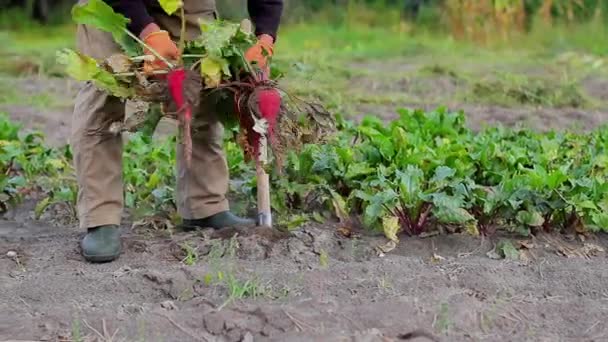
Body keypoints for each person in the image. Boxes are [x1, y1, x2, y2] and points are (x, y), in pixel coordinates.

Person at [73, 0, 283, 263]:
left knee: (205, 85)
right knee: (105, 92)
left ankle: (204, 205)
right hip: (113, 6)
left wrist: (265, 36)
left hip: (189, 5)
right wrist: (147, 30)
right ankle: (100, 217)